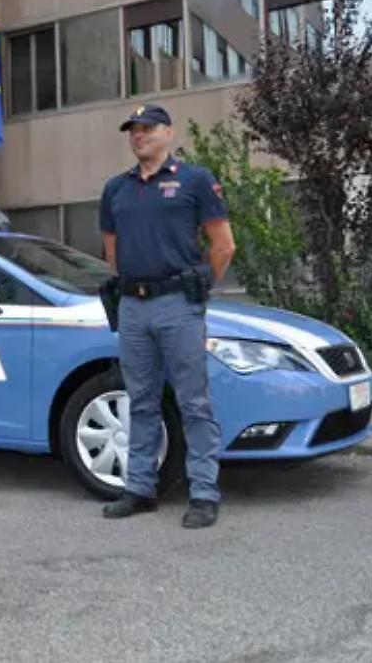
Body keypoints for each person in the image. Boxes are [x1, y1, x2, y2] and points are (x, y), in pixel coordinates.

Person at [98, 105, 236, 528]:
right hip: (133, 307)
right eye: (133, 130)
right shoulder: (115, 189)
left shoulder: (195, 180)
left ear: (168, 132)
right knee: (140, 401)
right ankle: (140, 487)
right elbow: (112, 250)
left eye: (147, 128)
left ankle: (204, 493)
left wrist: (199, 288)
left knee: (194, 402)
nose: (138, 136)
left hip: (179, 304)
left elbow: (223, 246)